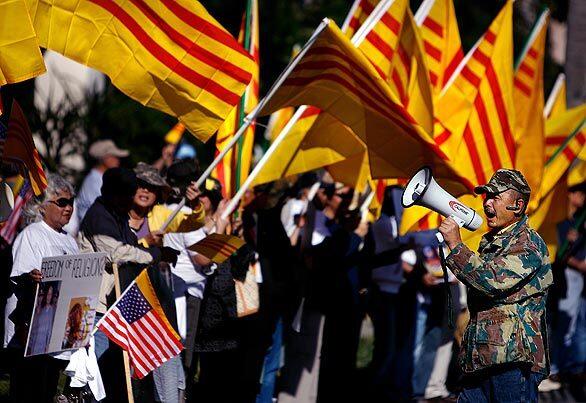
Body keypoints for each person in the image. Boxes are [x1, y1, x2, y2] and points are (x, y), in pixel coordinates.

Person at [439, 169, 553, 402]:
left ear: (518, 206)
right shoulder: (493, 243)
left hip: (513, 364)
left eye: (496, 197)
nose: (487, 203)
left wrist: (456, 245)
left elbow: (491, 281)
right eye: (486, 197)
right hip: (481, 359)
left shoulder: (528, 243)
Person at [4, 174, 79, 402]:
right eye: (62, 202)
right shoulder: (31, 234)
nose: (68, 208)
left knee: (47, 388)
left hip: (57, 331)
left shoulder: (70, 240)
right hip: (30, 331)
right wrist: (32, 276)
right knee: (28, 389)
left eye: (71, 202)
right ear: (42, 206)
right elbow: (20, 276)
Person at [76, 139, 129, 223]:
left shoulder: (104, 179)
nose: (117, 160)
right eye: (114, 157)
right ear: (105, 158)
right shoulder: (94, 181)